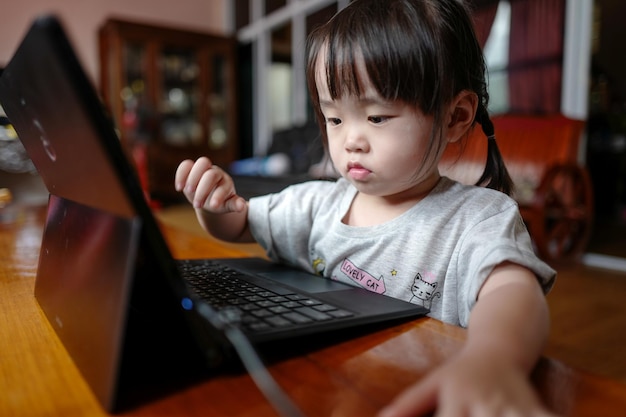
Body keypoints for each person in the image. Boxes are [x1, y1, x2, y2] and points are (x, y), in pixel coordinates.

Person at [175, 0, 557, 415]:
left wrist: (493, 360)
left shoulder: (476, 219)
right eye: (335, 119)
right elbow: (240, 224)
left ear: (455, 116)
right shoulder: (318, 203)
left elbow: (515, 292)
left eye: (376, 117)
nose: (350, 140)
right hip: (328, 387)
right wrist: (215, 206)